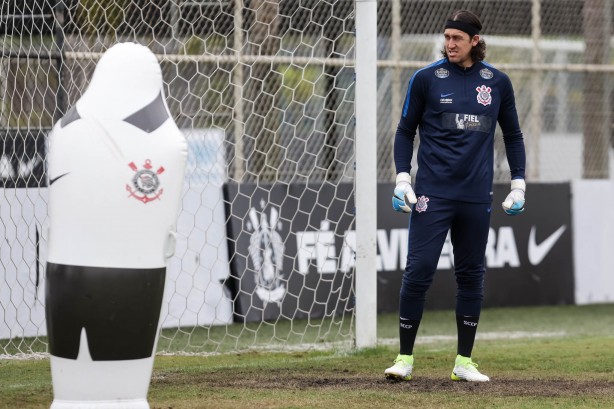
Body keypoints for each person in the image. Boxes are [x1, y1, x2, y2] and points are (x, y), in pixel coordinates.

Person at [384, 9, 526, 382]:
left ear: (474, 41)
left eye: (457, 38)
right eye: (446, 37)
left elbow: (513, 135)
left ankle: (464, 362)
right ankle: (404, 359)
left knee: (471, 276)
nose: (449, 44)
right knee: (418, 272)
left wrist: (518, 184)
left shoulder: (497, 82)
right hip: (432, 194)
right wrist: (402, 179)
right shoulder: (427, 79)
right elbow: (404, 131)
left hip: (476, 197)